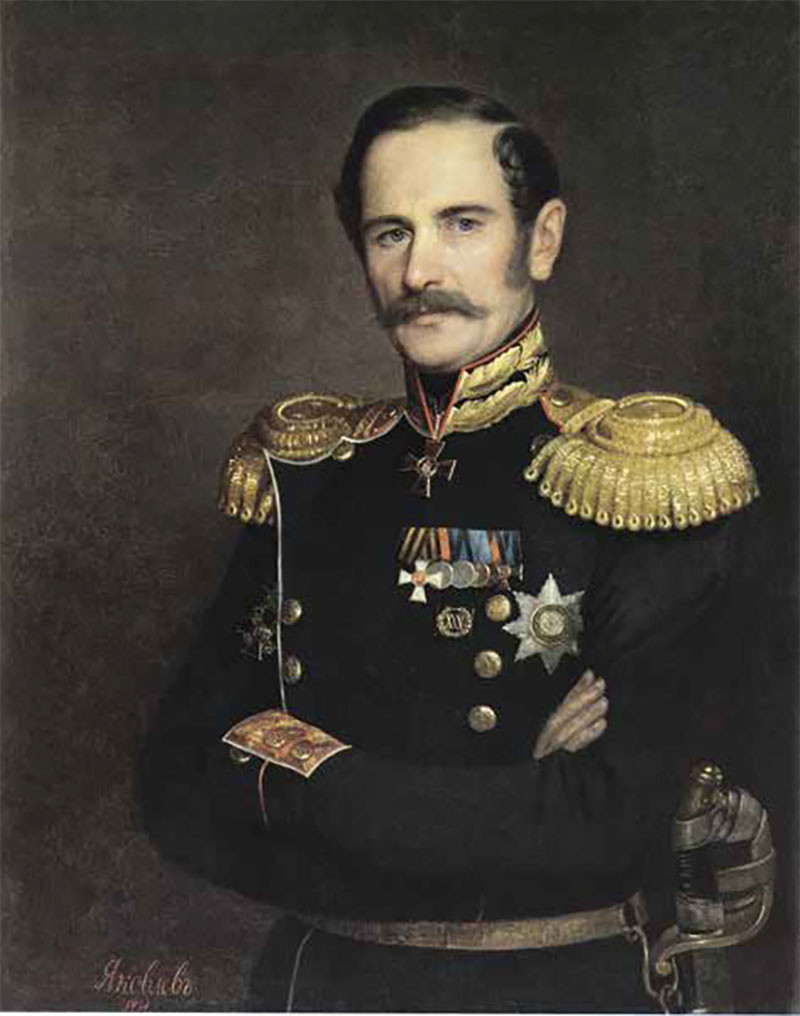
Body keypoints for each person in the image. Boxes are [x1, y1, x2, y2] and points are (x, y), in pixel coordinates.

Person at [141, 86, 759, 1012]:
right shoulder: (306, 473)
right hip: (319, 987)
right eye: (390, 232)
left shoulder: (639, 480)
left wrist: (300, 768)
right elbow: (176, 789)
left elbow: (606, 825)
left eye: (462, 223)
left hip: (551, 992)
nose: (419, 268)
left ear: (541, 240)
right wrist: (513, 780)